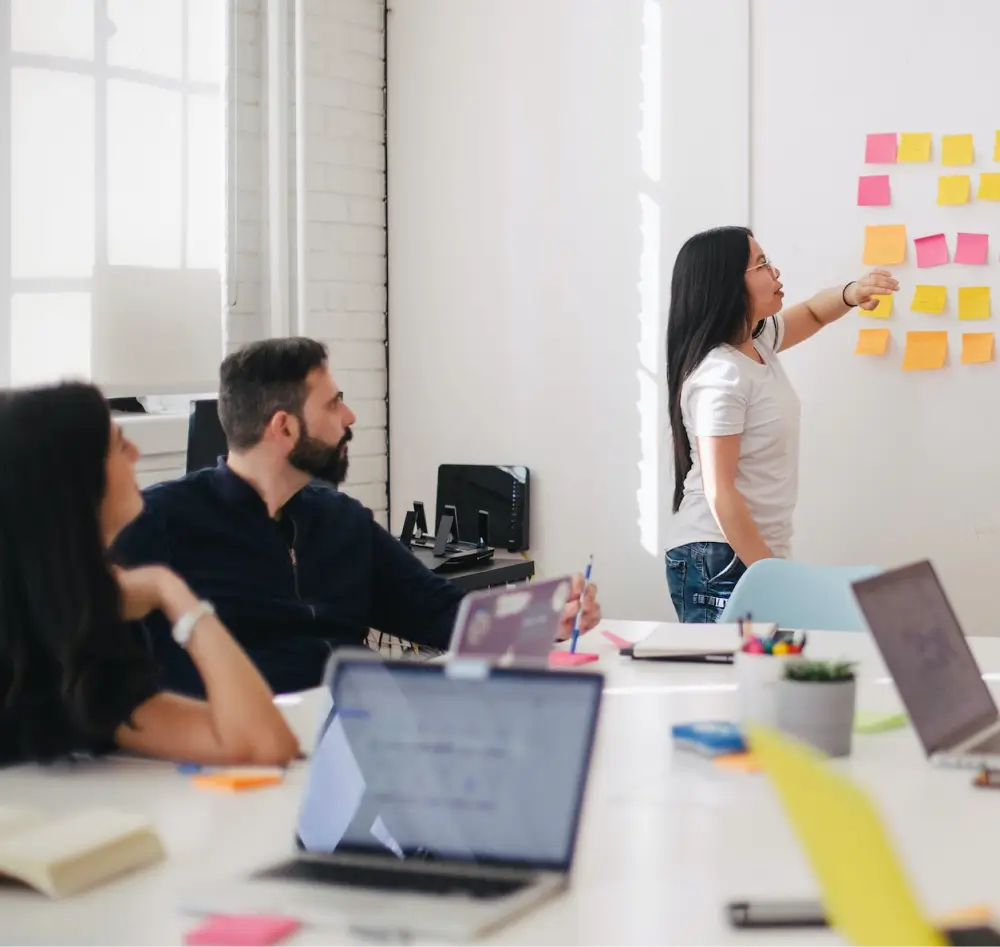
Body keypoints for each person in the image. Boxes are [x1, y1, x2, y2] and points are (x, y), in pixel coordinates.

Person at [114, 338, 601, 695]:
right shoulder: (161, 523)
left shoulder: (342, 521)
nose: (349, 417)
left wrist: (542, 618)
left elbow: (444, 615)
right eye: (332, 403)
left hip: (363, 737)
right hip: (240, 763)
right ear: (283, 428)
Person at [0, 383, 300, 766]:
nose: (137, 454)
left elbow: (262, 743)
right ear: (77, 482)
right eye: (120, 445)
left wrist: (170, 590)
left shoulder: (84, 629)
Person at [664, 226, 898, 622]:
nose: (775, 272)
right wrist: (771, 574)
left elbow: (812, 312)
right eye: (761, 265)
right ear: (726, 285)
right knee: (729, 679)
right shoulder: (720, 375)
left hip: (748, 552)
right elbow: (720, 491)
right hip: (718, 554)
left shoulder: (757, 345)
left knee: (766, 676)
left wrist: (851, 293)